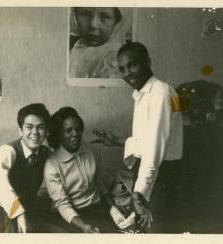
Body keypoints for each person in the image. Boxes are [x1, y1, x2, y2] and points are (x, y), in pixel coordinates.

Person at [92, 42, 183, 232]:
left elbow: (153, 150)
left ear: (148, 62)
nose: (127, 73)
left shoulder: (161, 93)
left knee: (155, 233)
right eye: (122, 69)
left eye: (133, 65)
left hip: (159, 175)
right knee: (140, 231)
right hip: (148, 173)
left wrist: (138, 193)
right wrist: (116, 140)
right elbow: (147, 140)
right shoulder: (143, 94)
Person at [0, 103, 53, 233]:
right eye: (29, 127)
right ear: (20, 131)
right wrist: (19, 213)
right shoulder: (8, 151)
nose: (35, 133)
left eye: (40, 127)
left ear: (47, 131)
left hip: (25, 205)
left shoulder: (46, 153)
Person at [44, 107, 124, 233]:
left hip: (96, 209)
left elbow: (98, 182)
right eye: (68, 130)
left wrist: (112, 207)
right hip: (71, 217)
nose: (75, 134)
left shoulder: (88, 149)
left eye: (78, 129)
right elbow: (62, 204)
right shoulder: (52, 164)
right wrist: (83, 226)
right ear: (58, 134)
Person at [69, 7, 132, 78]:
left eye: (104, 17)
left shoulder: (114, 58)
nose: (93, 25)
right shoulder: (77, 45)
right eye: (85, 14)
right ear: (75, 15)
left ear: (117, 21)